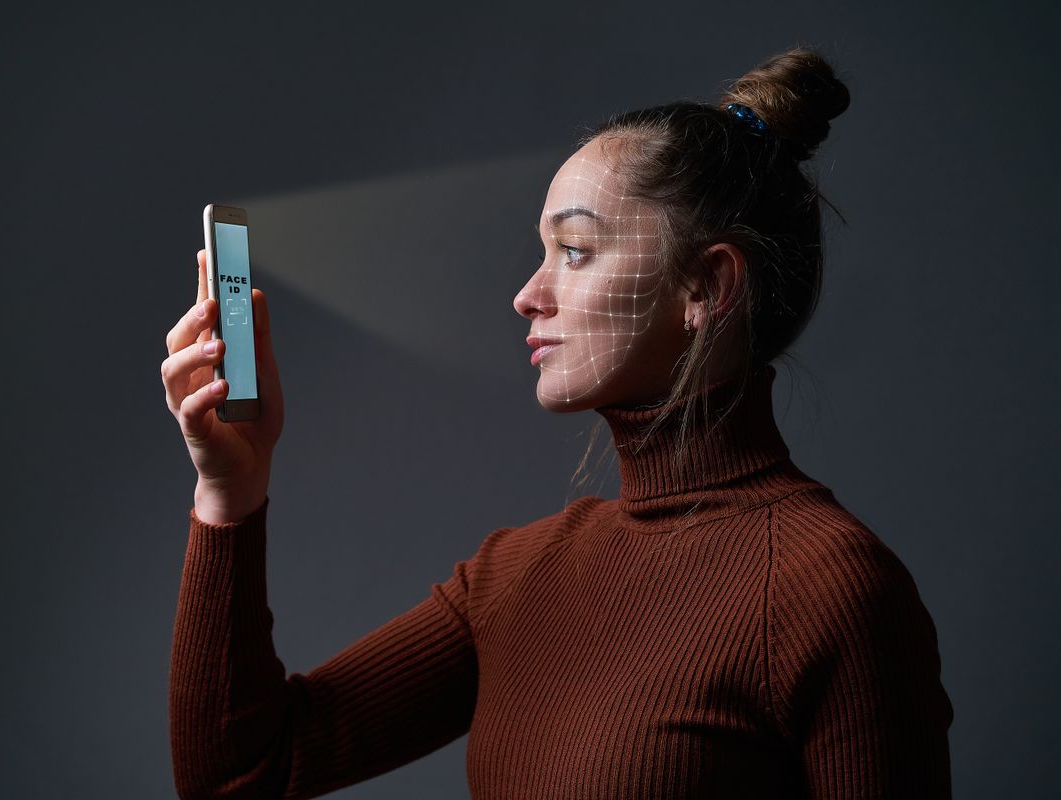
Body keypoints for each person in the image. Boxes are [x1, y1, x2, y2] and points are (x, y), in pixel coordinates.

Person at [163, 46, 954, 799]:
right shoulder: (514, 578)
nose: (528, 295)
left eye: (574, 249)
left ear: (706, 287)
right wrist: (230, 492)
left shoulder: (833, 591)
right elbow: (241, 772)